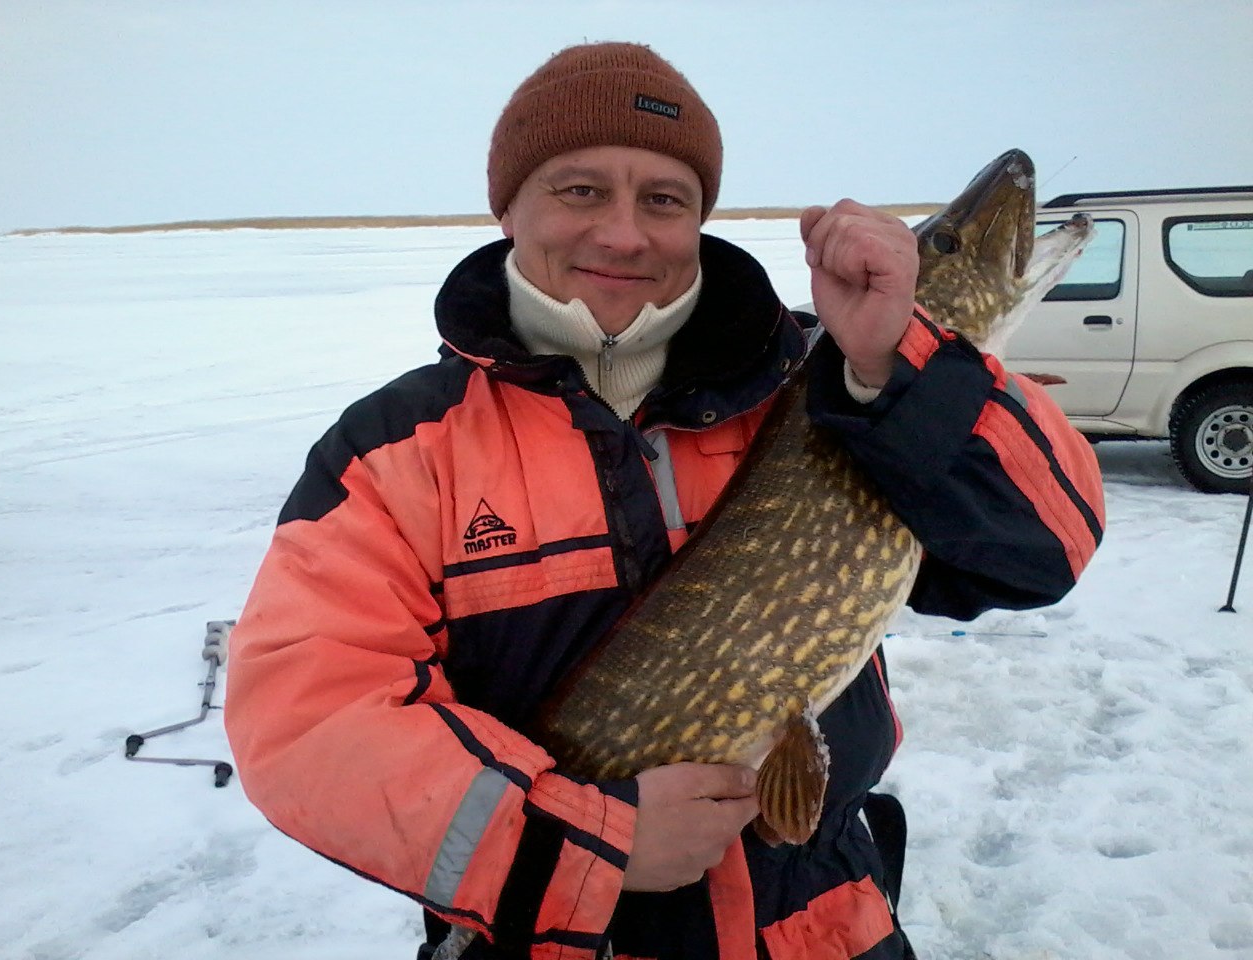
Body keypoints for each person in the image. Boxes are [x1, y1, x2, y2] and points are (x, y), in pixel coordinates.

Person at [224, 42, 1104, 960]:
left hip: (821, 927)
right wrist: (580, 844)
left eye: (664, 199)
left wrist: (902, 370)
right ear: (508, 208)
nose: (623, 234)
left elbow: (1040, 552)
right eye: (580, 190)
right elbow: (309, 719)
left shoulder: (838, 382)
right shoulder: (399, 448)